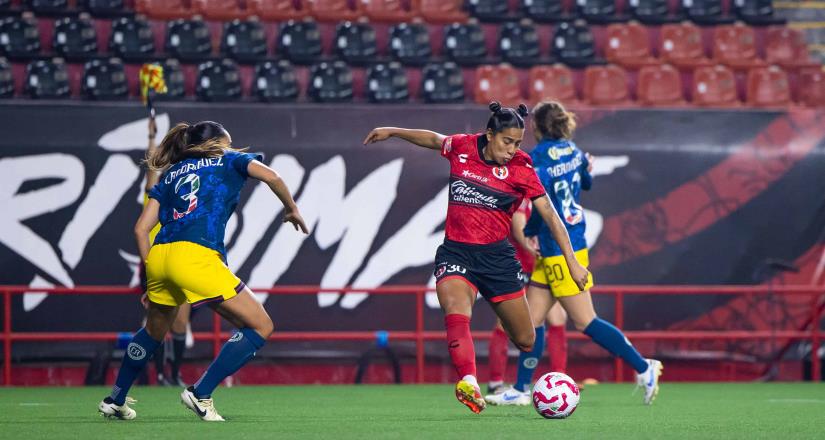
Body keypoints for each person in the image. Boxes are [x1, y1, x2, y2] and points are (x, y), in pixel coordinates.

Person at [363, 101, 590, 414]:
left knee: (525, 339)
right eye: (506, 141)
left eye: (517, 143)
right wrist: (393, 132)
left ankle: (518, 378)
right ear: (490, 134)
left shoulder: (523, 169)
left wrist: (572, 262)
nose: (511, 149)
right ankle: (468, 380)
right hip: (457, 251)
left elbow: (551, 217)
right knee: (456, 306)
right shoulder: (462, 147)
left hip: (497, 258)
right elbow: (432, 139)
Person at [98, 121, 308, 421]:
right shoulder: (229, 158)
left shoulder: (171, 174)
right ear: (220, 142)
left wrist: (150, 276)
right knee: (261, 326)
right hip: (196, 254)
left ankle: (115, 398)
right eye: (229, 141)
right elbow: (272, 176)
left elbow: (141, 229)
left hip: (159, 256)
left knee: (153, 332)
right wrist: (291, 208)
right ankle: (201, 392)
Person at [484, 101, 663, 407]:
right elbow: (587, 182)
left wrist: (529, 232)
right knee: (533, 321)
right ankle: (520, 389)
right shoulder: (574, 150)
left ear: (537, 128)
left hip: (559, 248)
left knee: (586, 321)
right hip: (569, 241)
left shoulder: (538, 158)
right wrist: (586, 169)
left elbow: (544, 205)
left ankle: (644, 367)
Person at [486, 200, 569, 395]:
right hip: (515, 265)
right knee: (505, 322)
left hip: (538, 266)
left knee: (558, 318)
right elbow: (519, 228)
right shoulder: (521, 193)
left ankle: (560, 379)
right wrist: (534, 248)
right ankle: (495, 381)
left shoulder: (545, 193)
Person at [141, 115, 191, 388]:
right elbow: (152, 168)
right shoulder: (156, 191)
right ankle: (159, 374)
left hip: (178, 258)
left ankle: (174, 374)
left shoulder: (182, 192)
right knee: (158, 324)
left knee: (181, 322)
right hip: (153, 260)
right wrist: (152, 137)